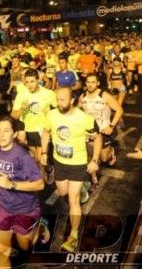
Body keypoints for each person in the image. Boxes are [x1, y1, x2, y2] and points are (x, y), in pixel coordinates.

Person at [41, 87, 102, 252]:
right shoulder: (51, 114)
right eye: (57, 99)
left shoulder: (84, 118)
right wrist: (44, 152)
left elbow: (98, 137)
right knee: (62, 192)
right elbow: (46, 132)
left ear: (72, 100)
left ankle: (73, 235)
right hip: (59, 162)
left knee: (73, 200)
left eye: (62, 100)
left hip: (77, 164)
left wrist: (95, 160)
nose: (59, 103)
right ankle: (83, 188)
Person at [0, 116, 47, 268]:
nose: (1, 135)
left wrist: (12, 184)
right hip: (2, 207)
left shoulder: (23, 156)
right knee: (2, 252)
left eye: (6, 131)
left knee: (25, 245)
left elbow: (40, 184)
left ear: (15, 134)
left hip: (24, 208)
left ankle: (40, 228)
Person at [79, 74, 123, 188]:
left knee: (103, 158)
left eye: (93, 82)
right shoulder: (82, 97)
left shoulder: (104, 96)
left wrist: (111, 126)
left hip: (104, 131)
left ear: (98, 83)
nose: (90, 84)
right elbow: (78, 111)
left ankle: (111, 152)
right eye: (88, 82)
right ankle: (94, 179)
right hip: (89, 132)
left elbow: (119, 110)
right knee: (90, 156)